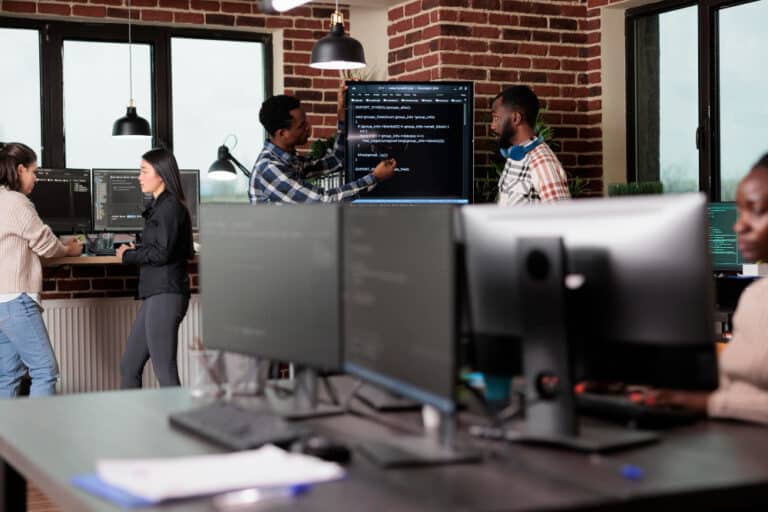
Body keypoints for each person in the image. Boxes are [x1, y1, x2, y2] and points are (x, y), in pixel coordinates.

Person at [648, 153, 768, 425]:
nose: (739, 225)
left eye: (757, 211)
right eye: (740, 212)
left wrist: (708, 403)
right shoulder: (754, 296)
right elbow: (736, 384)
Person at [0, 142, 83, 397]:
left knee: (8, 376)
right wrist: (69, 250)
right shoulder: (16, 202)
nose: (36, 179)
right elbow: (45, 244)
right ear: (20, 169)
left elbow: (20, 246)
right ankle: (37, 435)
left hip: (2, 302)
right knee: (45, 371)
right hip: (16, 299)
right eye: (34, 172)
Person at [116, 148, 193, 388]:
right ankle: (134, 423)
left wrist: (128, 255)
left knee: (164, 369)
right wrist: (135, 249)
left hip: (167, 294)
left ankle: (179, 424)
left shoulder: (170, 207)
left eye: (143, 171)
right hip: (155, 293)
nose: (139, 177)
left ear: (160, 174)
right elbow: (160, 245)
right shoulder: (160, 206)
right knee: (129, 366)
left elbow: (162, 252)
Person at [249, 82, 396, 203]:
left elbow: (336, 160)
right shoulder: (270, 168)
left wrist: (341, 114)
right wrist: (374, 177)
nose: (309, 128)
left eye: (306, 122)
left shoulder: (290, 161)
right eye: (302, 126)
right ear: (282, 133)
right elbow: (323, 201)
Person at [490, 85, 570, 206]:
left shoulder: (543, 163)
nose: (492, 126)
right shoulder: (516, 154)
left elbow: (563, 219)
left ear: (516, 118)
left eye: (496, 118)